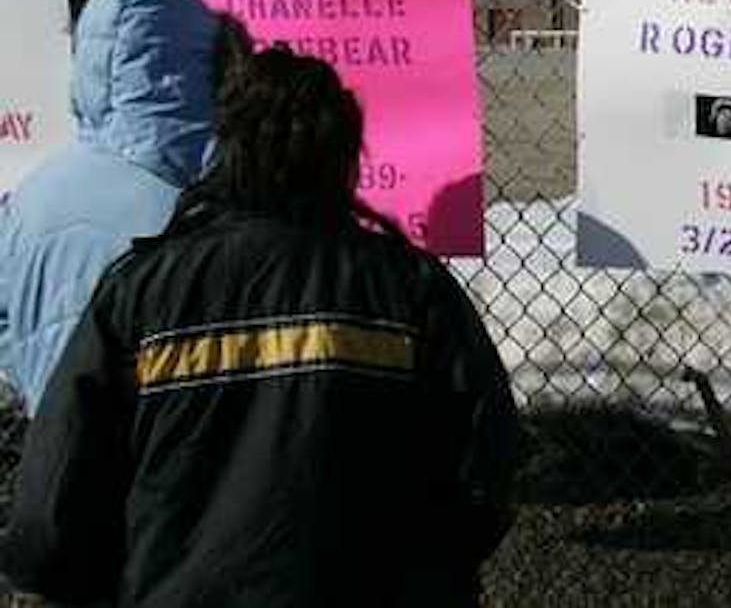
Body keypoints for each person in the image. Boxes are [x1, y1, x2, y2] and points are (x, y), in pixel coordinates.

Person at [0, 45, 519, 607]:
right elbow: (485, 462)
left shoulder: (141, 291)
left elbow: (52, 509)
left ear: (225, 151)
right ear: (345, 159)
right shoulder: (409, 288)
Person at [0, 0, 249, 415]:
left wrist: (35, 380)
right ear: (196, 67)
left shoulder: (30, 198)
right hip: (179, 458)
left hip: (58, 456)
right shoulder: (207, 197)